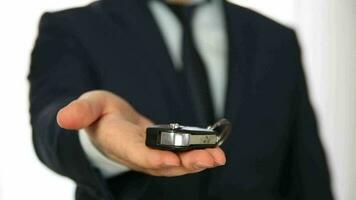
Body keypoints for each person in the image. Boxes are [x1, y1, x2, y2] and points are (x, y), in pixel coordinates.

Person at [28, 0, 334, 199]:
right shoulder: (72, 28)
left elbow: (307, 176)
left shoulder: (277, 41)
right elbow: (50, 125)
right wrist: (95, 139)